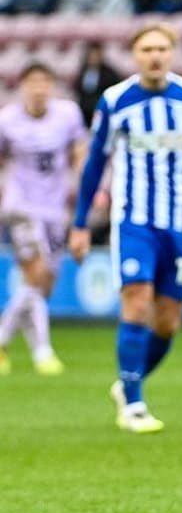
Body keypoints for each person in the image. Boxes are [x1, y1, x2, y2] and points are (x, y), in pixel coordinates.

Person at [69, 23, 182, 435]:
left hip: (178, 223)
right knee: (136, 301)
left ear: (172, 52)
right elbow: (95, 163)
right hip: (134, 220)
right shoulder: (115, 100)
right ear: (135, 55)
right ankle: (134, 405)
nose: (155, 55)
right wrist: (80, 223)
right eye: (146, 49)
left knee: (167, 322)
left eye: (162, 48)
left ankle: (127, 384)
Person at [0, 63, 88, 376]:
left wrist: (87, 188)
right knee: (36, 276)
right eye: (33, 82)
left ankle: (4, 341)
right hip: (21, 207)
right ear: (22, 86)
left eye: (44, 82)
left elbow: (80, 152)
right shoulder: (7, 120)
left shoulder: (68, 115)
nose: (39, 89)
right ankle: (42, 352)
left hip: (54, 209)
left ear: (52, 87)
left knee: (43, 285)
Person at [74, 41, 123, 124]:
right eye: (91, 55)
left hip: (101, 109)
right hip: (84, 109)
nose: (93, 58)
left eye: (96, 55)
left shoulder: (109, 73)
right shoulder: (83, 70)